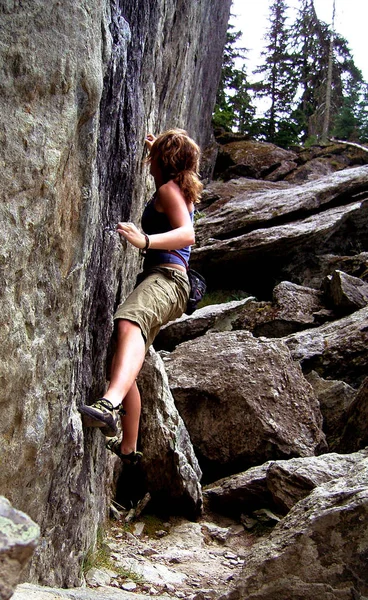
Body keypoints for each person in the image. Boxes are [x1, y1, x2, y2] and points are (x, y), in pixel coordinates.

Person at [78, 128, 202, 463]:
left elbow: (187, 234)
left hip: (168, 279)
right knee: (123, 357)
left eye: (154, 155)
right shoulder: (178, 187)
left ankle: (109, 404)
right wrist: (157, 147)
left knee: (129, 322)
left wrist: (144, 241)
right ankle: (128, 447)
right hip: (167, 282)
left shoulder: (168, 188)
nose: (148, 161)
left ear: (163, 160)